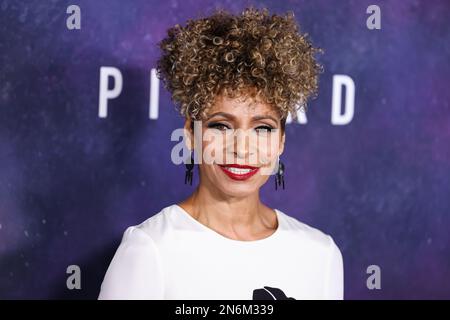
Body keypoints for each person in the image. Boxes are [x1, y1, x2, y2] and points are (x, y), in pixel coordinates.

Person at [98, 6, 343, 300]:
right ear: (191, 133)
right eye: (221, 126)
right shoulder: (150, 250)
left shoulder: (320, 254)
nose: (241, 149)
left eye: (262, 128)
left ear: (281, 141)